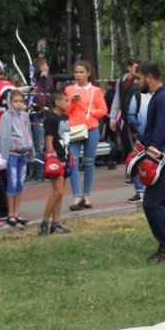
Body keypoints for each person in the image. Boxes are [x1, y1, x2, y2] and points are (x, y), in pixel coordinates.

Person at [131, 61, 165, 262]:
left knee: (152, 203)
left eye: (138, 78)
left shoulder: (163, 98)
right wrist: (139, 148)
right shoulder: (161, 97)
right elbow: (154, 130)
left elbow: (161, 131)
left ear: (149, 77)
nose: (136, 82)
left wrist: (149, 156)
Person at [65, 60, 108, 211]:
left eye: (81, 72)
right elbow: (65, 110)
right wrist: (72, 102)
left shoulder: (95, 90)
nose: (78, 75)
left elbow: (103, 110)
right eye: (76, 72)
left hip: (91, 128)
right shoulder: (69, 89)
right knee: (72, 161)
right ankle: (76, 195)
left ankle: (86, 194)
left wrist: (91, 113)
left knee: (89, 162)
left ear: (88, 73)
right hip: (75, 128)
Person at [0, 89, 33, 227]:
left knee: (20, 184)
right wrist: (4, 159)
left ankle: (17, 212)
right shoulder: (6, 117)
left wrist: (31, 152)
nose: (19, 104)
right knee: (11, 184)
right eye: (15, 101)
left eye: (21, 101)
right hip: (12, 154)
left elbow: (29, 133)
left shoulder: (25, 116)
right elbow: (4, 138)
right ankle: (10, 213)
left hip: (23, 153)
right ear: (10, 103)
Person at [38, 91, 71, 235]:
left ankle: (55, 224)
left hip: (65, 156)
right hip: (56, 158)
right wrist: (53, 160)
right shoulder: (51, 118)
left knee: (60, 194)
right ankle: (44, 223)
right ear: (57, 102)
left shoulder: (64, 117)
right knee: (58, 191)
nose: (68, 103)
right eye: (66, 100)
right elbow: (49, 141)